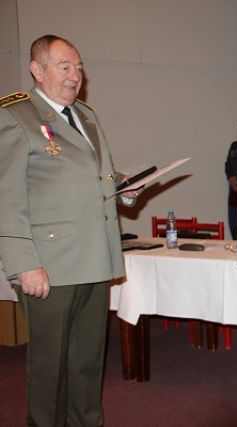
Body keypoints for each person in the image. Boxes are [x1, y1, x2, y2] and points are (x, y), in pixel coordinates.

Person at [0, 34, 138, 426]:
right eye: (64, 67)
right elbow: (6, 197)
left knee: (87, 362)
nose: (75, 75)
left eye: (78, 67)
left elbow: (95, 174)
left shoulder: (86, 116)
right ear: (37, 69)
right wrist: (24, 263)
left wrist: (124, 185)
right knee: (50, 367)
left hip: (95, 257)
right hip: (50, 264)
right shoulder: (15, 115)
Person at [225, 140, 237, 240]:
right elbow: (228, 165)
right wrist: (230, 177)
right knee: (234, 229)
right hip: (234, 196)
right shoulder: (235, 145)